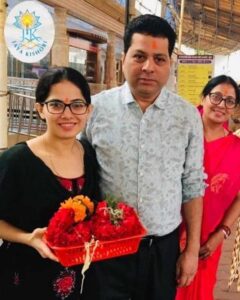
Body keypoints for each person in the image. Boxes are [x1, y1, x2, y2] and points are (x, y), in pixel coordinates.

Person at [84, 14, 205, 300]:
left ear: (169, 64)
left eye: (159, 59)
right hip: (107, 248)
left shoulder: (187, 117)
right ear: (124, 57)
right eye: (139, 56)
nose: (148, 67)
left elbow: (193, 184)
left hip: (161, 250)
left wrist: (190, 250)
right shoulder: (95, 110)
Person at [0, 67, 102, 299]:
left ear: (88, 110)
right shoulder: (16, 161)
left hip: (82, 279)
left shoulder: (89, 154)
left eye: (77, 105)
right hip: (28, 279)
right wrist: (27, 238)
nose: (68, 115)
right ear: (40, 109)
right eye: (56, 105)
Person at [176, 75, 240, 300]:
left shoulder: (236, 149)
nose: (221, 105)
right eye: (216, 96)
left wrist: (221, 234)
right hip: (167, 238)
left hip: (207, 246)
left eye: (229, 101)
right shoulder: (179, 134)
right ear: (203, 98)